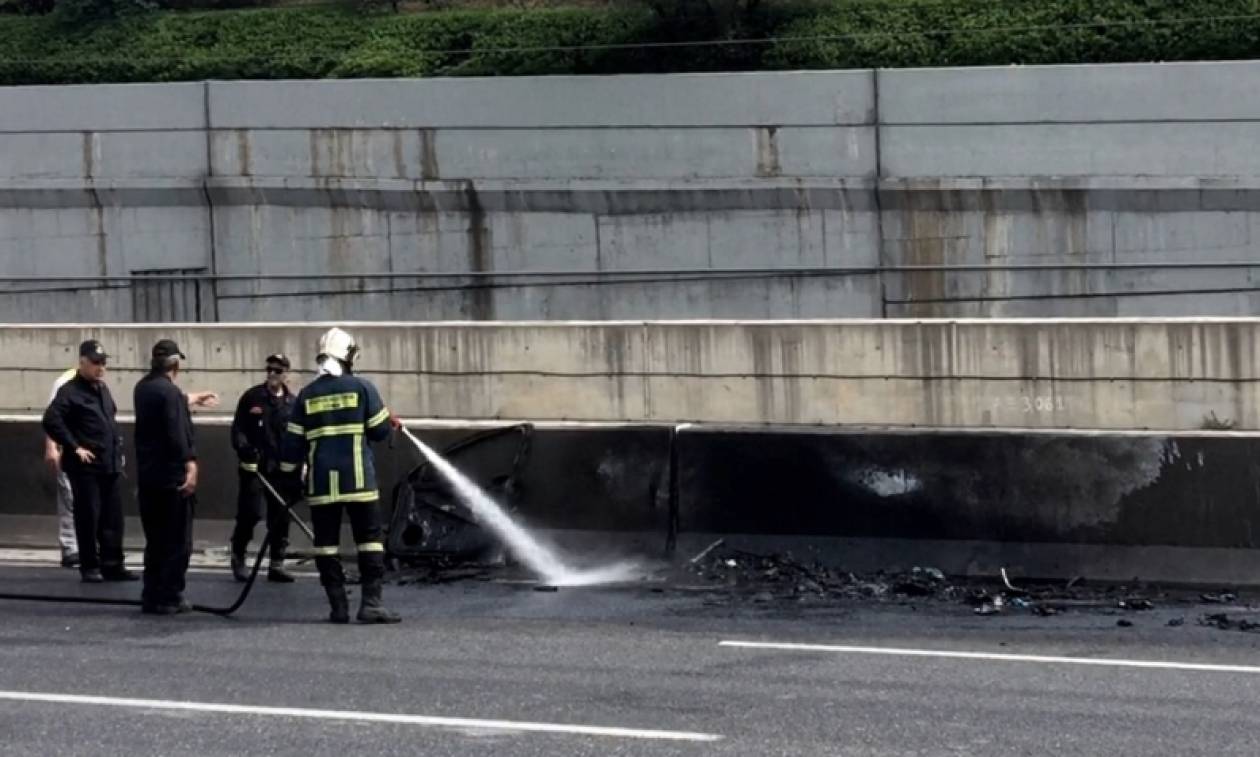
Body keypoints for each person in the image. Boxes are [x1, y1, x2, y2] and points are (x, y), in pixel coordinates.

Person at [280, 327, 401, 624]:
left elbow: (292, 446)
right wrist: (387, 419)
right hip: (359, 481)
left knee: (325, 544)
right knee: (370, 540)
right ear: (347, 356)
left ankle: (338, 607)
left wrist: (288, 480)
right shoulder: (362, 388)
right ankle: (371, 604)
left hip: (322, 484)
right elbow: (379, 430)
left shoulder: (306, 395)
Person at [132, 339, 219, 615]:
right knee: (178, 541)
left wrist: (194, 398)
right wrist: (190, 464)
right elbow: (176, 432)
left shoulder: (143, 388)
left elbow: (169, 401)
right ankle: (170, 594)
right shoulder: (169, 394)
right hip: (172, 479)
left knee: (155, 540)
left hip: (149, 478)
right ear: (176, 365)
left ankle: (152, 593)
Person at [42, 340, 135, 584]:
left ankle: (113, 563)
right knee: (88, 516)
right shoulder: (70, 391)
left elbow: (110, 421)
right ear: (82, 362)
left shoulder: (102, 390)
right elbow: (51, 420)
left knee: (113, 517)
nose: (100, 368)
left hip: (109, 463)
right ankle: (90, 565)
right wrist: (74, 446)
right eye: (95, 363)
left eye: (103, 363)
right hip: (86, 467)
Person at [229, 353, 296, 584]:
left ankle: (276, 563)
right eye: (269, 370)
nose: (272, 374)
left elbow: (298, 437)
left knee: (280, 517)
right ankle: (238, 555)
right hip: (254, 468)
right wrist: (244, 448)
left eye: (277, 371)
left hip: (280, 470)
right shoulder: (253, 398)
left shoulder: (293, 404)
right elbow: (238, 428)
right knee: (250, 514)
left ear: (286, 374)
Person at [44, 366, 79, 569]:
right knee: (69, 497)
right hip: (67, 448)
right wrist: (51, 447)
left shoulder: (96, 383)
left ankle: (85, 546)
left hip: (87, 450)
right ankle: (70, 548)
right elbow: (52, 417)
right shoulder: (64, 382)